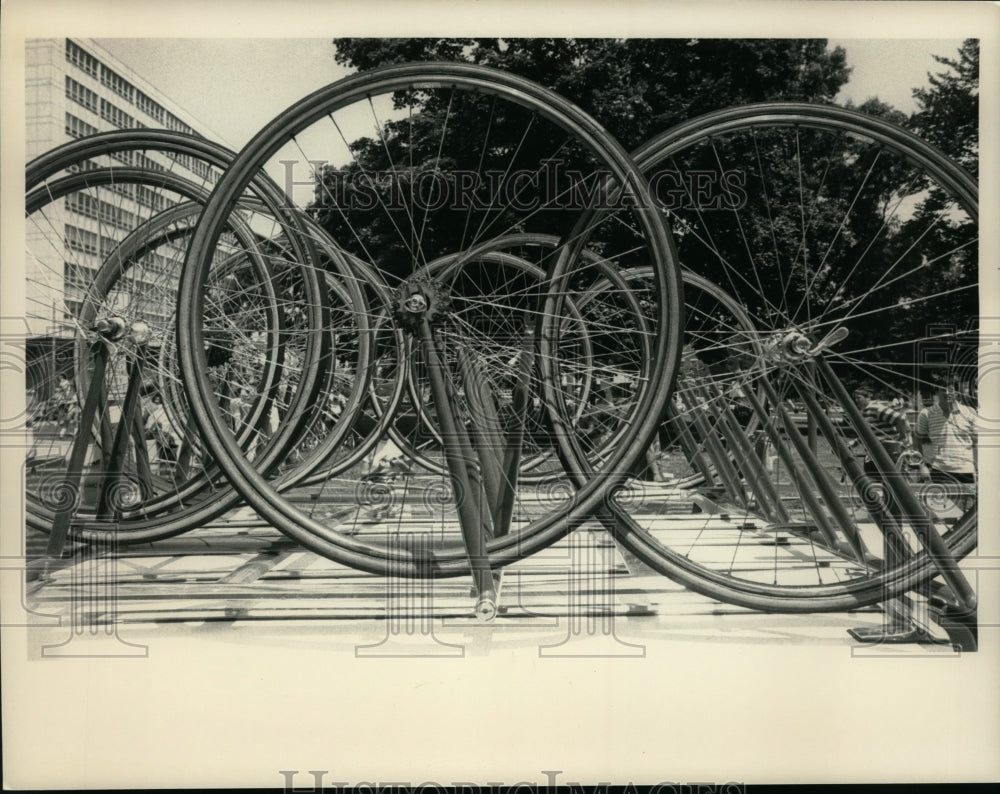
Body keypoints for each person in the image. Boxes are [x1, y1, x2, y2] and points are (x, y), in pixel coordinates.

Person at [915, 379, 977, 484]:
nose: (947, 393)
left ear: (956, 393)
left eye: (951, 390)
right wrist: (922, 465)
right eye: (943, 390)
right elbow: (917, 441)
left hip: (966, 470)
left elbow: (977, 443)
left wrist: (979, 468)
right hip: (939, 470)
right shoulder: (926, 413)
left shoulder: (970, 412)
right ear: (937, 392)